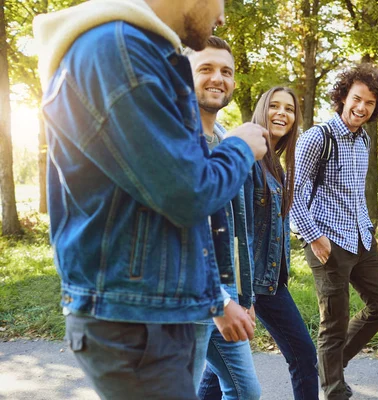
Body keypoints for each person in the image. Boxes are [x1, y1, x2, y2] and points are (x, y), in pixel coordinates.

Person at [32, 1, 268, 399]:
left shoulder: (137, 50)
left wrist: (212, 298)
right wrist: (240, 148)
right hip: (134, 319)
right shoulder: (116, 50)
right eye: (222, 1)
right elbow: (188, 193)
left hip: (156, 312)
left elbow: (185, 220)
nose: (223, 16)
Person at [198, 86, 320, 400]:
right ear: (262, 111)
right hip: (253, 283)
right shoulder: (249, 159)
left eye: (290, 109)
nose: (282, 113)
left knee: (222, 369)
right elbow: (241, 230)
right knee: (303, 355)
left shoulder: (276, 163)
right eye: (275, 106)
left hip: (267, 279)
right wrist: (244, 295)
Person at [290, 63, 378, 400]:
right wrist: (313, 236)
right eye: (357, 99)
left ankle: (328, 366)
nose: (361, 108)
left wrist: (368, 228)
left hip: (361, 237)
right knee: (333, 323)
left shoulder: (363, 140)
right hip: (326, 239)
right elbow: (292, 193)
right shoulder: (318, 138)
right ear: (343, 97)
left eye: (370, 104)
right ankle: (332, 389)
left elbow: (354, 193)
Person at [185, 36, 261, 400]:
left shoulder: (225, 139)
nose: (218, 78)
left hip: (224, 293)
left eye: (226, 71)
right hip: (190, 297)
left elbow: (235, 228)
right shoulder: (175, 138)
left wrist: (241, 295)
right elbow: (182, 226)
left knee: (247, 392)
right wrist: (217, 301)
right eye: (206, 69)